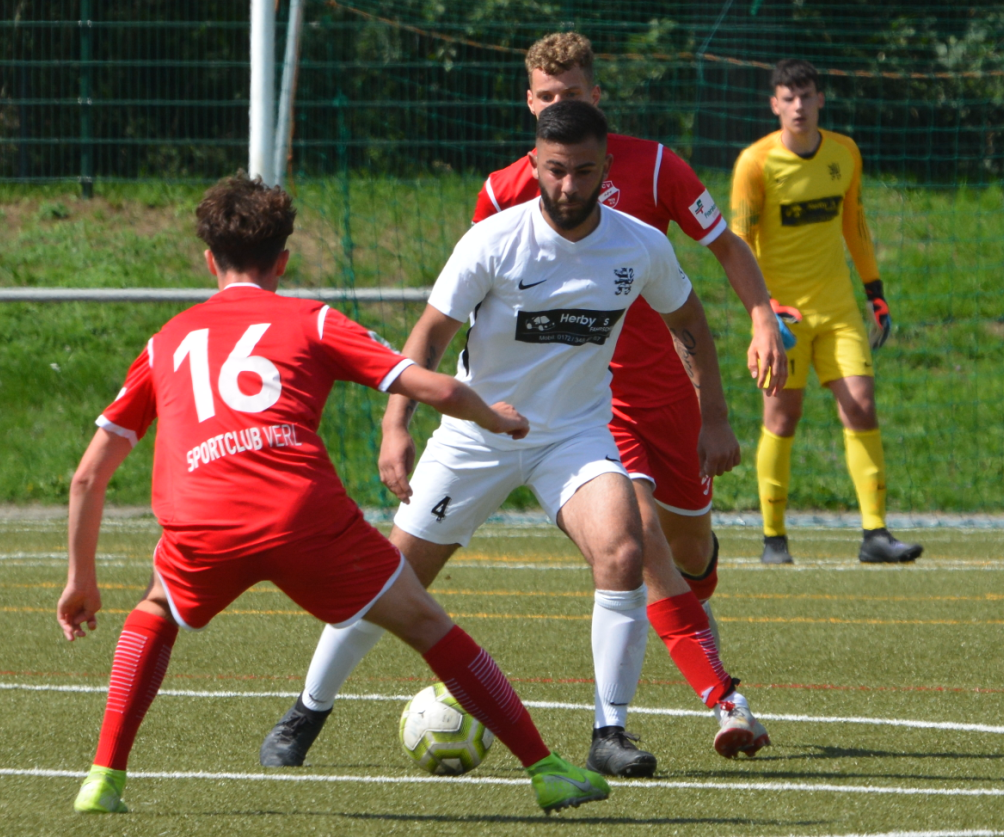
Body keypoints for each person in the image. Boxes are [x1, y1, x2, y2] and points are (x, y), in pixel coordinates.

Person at [57, 172, 612, 816]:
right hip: (303, 516)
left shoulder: (166, 341)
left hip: (202, 522)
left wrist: (81, 579)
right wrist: (496, 417)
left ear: (210, 260)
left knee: (155, 611)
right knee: (426, 623)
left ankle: (103, 777)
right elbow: (433, 385)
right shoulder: (312, 320)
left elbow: (87, 477)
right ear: (283, 261)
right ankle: (546, 770)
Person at [259, 100, 771, 780]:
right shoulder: (493, 241)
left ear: (605, 169)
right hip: (476, 433)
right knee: (390, 579)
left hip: (575, 436)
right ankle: (306, 711)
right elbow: (428, 339)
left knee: (622, 550)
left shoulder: (640, 244)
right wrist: (395, 425)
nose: (568, 185)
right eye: (555, 170)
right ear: (534, 165)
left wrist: (714, 413)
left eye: (583, 171)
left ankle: (609, 731)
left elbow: (688, 319)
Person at [731, 59, 923, 565]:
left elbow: (854, 224)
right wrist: (763, 309)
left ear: (820, 99)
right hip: (782, 319)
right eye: (788, 98)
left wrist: (875, 291)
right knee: (782, 416)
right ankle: (774, 539)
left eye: (806, 96)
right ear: (774, 105)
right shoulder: (755, 163)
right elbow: (737, 245)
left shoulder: (844, 152)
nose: (798, 106)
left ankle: (875, 534)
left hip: (838, 309)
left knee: (861, 405)